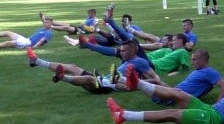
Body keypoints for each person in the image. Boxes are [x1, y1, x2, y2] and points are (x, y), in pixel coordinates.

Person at [106, 56, 224, 124]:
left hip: (214, 119)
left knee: (171, 113)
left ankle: (123, 115)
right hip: (211, 109)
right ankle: (138, 83)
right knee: (178, 93)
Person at [27, 41, 157, 94]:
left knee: (90, 78)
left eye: (124, 51)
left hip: (108, 88)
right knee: (74, 67)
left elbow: (156, 78)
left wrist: (139, 83)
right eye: (121, 50)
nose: (121, 53)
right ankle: (37, 61)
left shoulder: (140, 62)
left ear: (133, 52)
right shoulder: (127, 60)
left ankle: (62, 77)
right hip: (105, 80)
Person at [152, 48, 224, 105]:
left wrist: (218, 103)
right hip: (174, 91)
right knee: (154, 82)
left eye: (194, 60)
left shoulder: (210, 72)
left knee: (152, 85)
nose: (191, 62)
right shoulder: (197, 71)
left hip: (175, 97)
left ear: (203, 60)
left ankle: (140, 83)